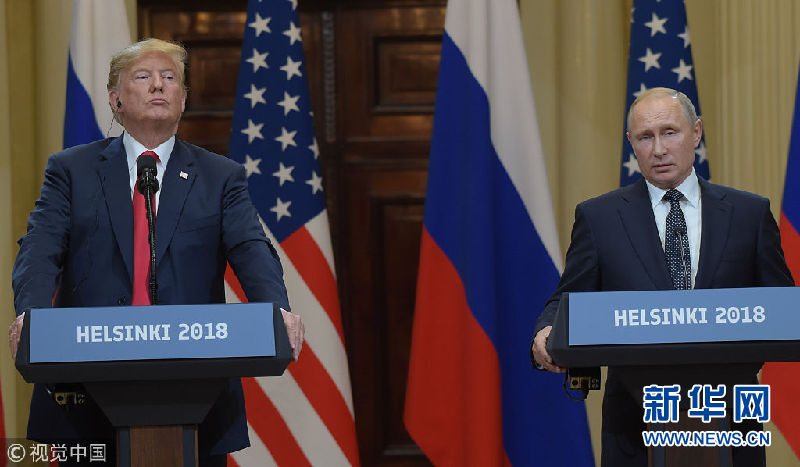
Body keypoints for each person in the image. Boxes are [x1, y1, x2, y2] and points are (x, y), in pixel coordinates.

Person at [8, 38, 304, 466]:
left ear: (183, 100)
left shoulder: (220, 176)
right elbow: (40, 249)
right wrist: (30, 314)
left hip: (195, 390)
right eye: (143, 77)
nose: (158, 86)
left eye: (170, 78)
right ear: (115, 99)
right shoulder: (71, 170)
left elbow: (252, 250)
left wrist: (277, 309)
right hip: (86, 391)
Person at [531, 87, 793, 466]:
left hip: (730, 421)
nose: (658, 149)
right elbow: (567, 297)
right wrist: (546, 330)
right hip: (635, 425)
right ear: (631, 143)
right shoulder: (599, 218)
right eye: (645, 137)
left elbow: (780, 306)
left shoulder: (749, 214)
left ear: (696, 133)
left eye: (670, 132)